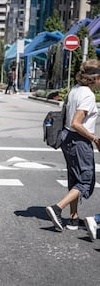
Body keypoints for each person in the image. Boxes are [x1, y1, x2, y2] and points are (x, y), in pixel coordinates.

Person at [46, 59, 100, 232]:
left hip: (67, 138)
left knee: (75, 178)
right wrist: (94, 138)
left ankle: (73, 218)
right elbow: (77, 122)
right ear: (95, 78)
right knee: (85, 181)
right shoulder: (88, 95)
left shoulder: (75, 90)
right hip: (79, 140)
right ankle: (57, 208)